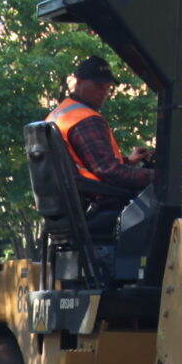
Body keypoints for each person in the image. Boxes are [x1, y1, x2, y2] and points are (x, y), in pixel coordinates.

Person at [48, 55, 156, 236]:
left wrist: (128, 161)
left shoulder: (60, 114)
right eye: (99, 87)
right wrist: (159, 177)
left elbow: (84, 166)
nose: (104, 94)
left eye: (108, 89)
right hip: (96, 207)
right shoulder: (85, 120)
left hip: (71, 207)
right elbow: (108, 172)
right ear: (79, 82)